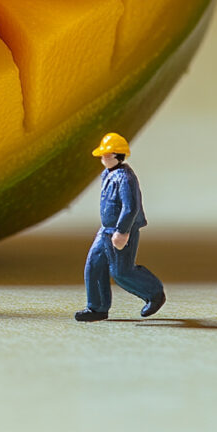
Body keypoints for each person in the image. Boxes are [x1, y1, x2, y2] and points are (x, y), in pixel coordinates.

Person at [75, 132, 166, 322]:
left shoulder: (125, 178)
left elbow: (130, 207)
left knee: (121, 272)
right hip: (105, 230)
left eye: (106, 155)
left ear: (117, 155)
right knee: (94, 265)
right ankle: (97, 307)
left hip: (121, 231)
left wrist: (122, 231)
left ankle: (154, 293)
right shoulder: (107, 174)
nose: (102, 158)